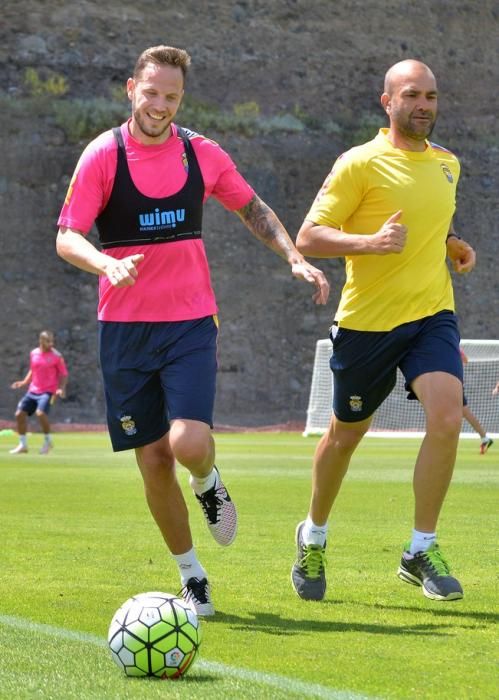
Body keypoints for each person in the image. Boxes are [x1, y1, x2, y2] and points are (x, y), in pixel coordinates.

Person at [55, 45, 329, 616]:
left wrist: (292, 257)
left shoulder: (200, 153)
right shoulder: (104, 155)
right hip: (124, 330)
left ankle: (208, 481)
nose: (159, 105)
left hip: (189, 322)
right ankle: (192, 576)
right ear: (131, 89)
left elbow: (250, 207)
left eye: (171, 96)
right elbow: (68, 235)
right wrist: (106, 264)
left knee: (187, 443)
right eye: (151, 92)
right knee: (153, 460)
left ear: (182, 98)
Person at [291, 59, 476, 603]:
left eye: (433, 96)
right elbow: (308, 236)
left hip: (431, 316)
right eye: (413, 95)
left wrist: (451, 244)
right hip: (367, 324)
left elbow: (428, 221)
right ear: (387, 102)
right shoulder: (358, 164)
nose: (425, 105)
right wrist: (368, 244)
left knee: (447, 415)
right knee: (346, 435)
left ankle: (421, 548)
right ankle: (314, 534)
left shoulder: (448, 164)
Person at [10, 330, 68, 455]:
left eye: (52, 340)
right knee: (19, 414)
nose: (51, 343)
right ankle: (23, 445)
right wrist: (24, 382)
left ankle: (48, 441)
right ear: (41, 341)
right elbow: (33, 369)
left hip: (47, 391)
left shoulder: (57, 356)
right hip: (33, 390)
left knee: (40, 413)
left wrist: (61, 388)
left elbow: (63, 374)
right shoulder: (34, 353)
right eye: (48, 341)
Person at [459, 348, 493, 454]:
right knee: (464, 413)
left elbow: (465, 360)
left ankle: (484, 437)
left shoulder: (451, 345)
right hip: (452, 384)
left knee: (465, 413)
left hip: (453, 385)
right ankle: (484, 437)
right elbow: (465, 360)